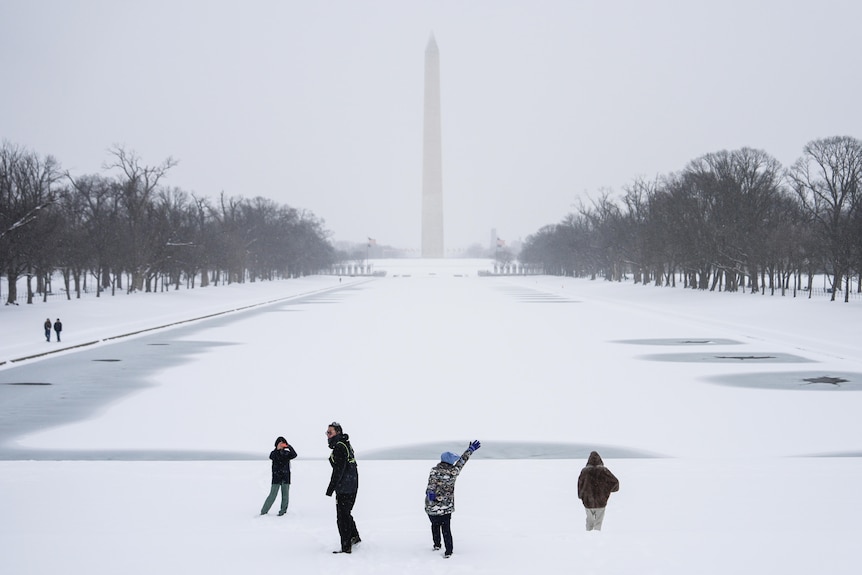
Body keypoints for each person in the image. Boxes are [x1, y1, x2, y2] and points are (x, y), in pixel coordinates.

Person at [424, 440, 481, 558]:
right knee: (446, 528)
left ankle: (436, 545)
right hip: (445, 507)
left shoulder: (433, 470)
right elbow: (462, 462)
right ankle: (448, 551)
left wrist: (431, 499)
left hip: (431, 507)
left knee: (435, 525)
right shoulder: (453, 472)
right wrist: (470, 450)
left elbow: (430, 487)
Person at [325, 421, 360, 554]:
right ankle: (354, 536)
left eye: (330, 432)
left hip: (346, 487)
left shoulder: (340, 447)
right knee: (346, 513)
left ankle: (346, 548)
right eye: (327, 432)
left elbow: (338, 470)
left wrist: (330, 488)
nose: (328, 435)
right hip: (351, 485)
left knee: (342, 517)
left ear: (337, 433)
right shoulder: (345, 444)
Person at [577, 450, 620, 531]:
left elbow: (580, 485)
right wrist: (606, 491)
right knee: (598, 523)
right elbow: (615, 482)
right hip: (601, 501)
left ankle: (588, 538)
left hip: (588, 502)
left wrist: (581, 496)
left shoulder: (584, 471)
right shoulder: (604, 471)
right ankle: (596, 538)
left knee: (589, 522)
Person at [260, 436, 297, 516]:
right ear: (276, 444)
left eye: (283, 443)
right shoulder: (274, 453)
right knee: (272, 495)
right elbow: (271, 457)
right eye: (280, 443)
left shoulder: (287, 453)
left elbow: (294, 455)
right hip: (276, 477)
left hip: (285, 477)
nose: (281, 445)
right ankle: (263, 511)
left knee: (285, 496)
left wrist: (289, 446)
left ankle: (283, 512)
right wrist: (277, 449)